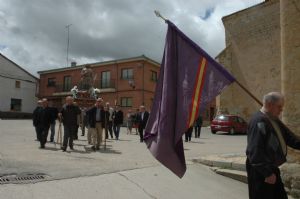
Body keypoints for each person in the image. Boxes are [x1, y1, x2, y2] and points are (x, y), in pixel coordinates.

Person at [246, 92, 300, 199]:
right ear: (269, 104)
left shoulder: (273, 119)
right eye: (279, 107)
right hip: (261, 171)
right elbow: (255, 151)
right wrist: (267, 173)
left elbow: (291, 138)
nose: (281, 110)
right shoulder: (258, 121)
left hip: (272, 167)